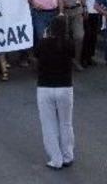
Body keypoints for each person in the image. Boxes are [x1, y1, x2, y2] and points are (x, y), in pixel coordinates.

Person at [35, 16, 75, 170]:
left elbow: (37, 55)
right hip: (65, 87)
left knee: (49, 125)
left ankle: (55, 159)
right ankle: (68, 155)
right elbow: (71, 56)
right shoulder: (68, 44)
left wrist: (45, 38)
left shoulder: (43, 44)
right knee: (66, 123)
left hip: (45, 88)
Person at [57, 0, 86, 71]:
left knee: (79, 36)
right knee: (64, 38)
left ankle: (77, 60)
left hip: (77, 10)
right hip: (63, 11)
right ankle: (64, 62)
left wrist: (85, 7)